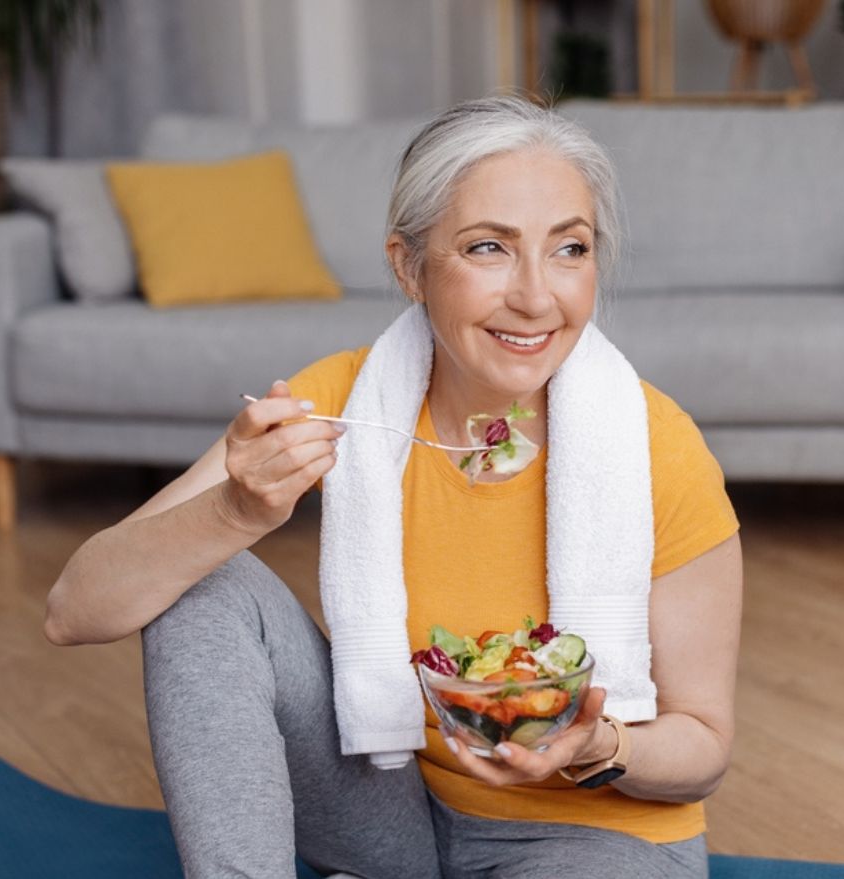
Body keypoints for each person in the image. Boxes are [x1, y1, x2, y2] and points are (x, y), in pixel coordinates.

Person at [45, 95, 743, 879]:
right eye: (489, 248)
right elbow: (74, 609)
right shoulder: (344, 401)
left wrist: (594, 744)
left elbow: (705, 748)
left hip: (591, 838)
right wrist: (234, 511)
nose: (537, 296)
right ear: (408, 266)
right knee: (206, 581)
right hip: (391, 809)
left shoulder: (656, 444)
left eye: (569, 249)